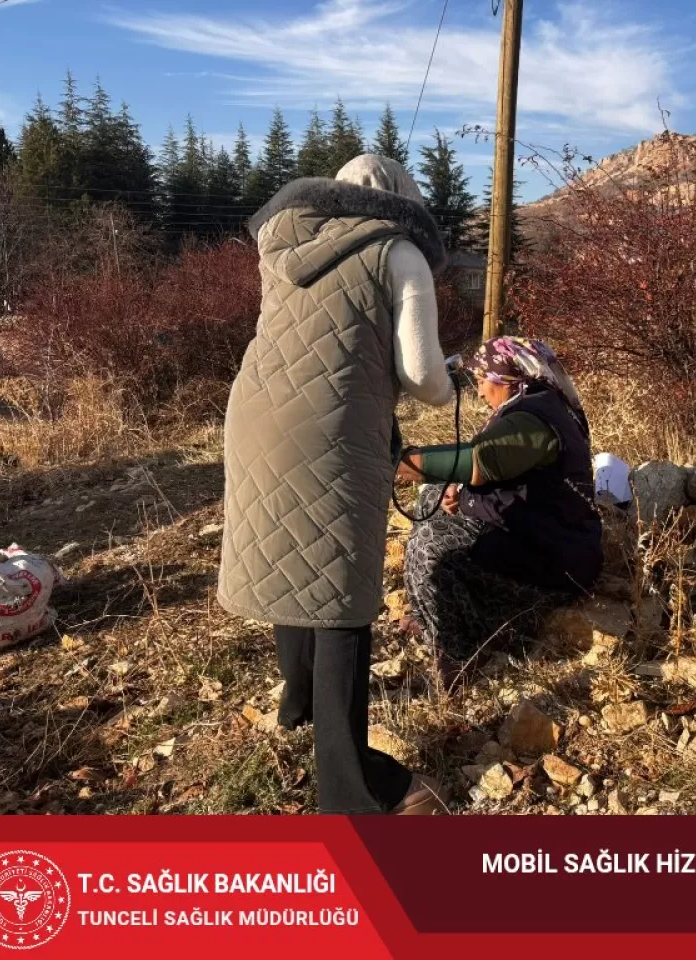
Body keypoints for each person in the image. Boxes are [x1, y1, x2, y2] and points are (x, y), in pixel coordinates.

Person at [217, 155, 454, 816]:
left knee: (293, 555)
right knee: (341, 592)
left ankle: (296, 706)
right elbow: (423, 376)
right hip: (333, 425)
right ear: (404, 199)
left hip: (255, 415)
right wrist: (453, 383)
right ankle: (353, 790)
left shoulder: (283, 246)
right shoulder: (399, 252)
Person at [397, 337, 604, 675]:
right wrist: (464, 497)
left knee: (430, 544)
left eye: (482, 380)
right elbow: (518, 488)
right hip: (541, 537)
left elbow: (481, 461)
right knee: (433, 497)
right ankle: (433, 614)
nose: (479, 393)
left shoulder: (533, 419)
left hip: (554, 566)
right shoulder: (542, 404)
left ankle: (459, 653)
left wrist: (395, 463)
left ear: (506, 378)